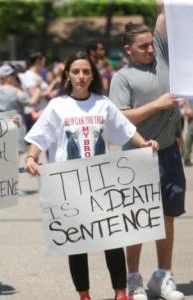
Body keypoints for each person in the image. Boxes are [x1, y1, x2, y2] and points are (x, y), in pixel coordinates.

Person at [24, 51, 159, 300]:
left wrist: (144, 144)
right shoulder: (57, 106)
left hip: (103, 184)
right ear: (67, 75)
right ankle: (84, 295)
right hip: (69, 187)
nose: (81, 76)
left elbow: (126, 130)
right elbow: (39, 137)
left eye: (86, 71)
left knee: (113, 238)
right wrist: (31, 157)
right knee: (77, 244)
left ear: (92, 75)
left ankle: (120, 293)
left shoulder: (103, 103)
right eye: (75, 71)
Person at [109, 1, 186, 298]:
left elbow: (163, 13)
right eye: (143, 47)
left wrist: (162, 6)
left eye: (151, 45)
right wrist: (157, 106)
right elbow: (119, 117)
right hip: (137, 157)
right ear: (128, 49)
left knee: (168, 215)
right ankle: (133, 279)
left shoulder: (162, 57)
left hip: (168, 150)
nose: (150, 50)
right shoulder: (122, 77)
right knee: (138, 220)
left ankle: (163, 276)